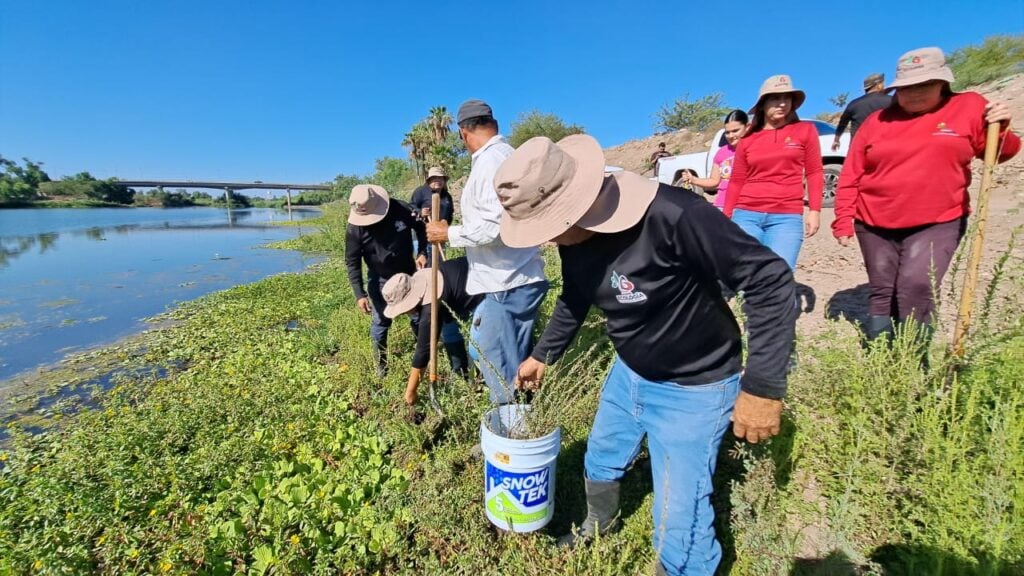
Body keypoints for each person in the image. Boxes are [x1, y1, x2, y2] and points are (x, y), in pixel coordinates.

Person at [499, 135, 798, 576]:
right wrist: (543, 354)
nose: (546, 240)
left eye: (549, 226)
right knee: (600, 456)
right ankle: (598, 526)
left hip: (695, 387)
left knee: (681, 518)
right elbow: (576, 296)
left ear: (576, 203)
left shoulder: (674, 214)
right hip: (629, 372)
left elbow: (770, 279)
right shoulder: (574, 239)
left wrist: (763, 386)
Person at [832, 47, 1019, 342]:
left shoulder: (968, 106)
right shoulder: (877, 121)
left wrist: (1001, 125)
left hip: (939, 219)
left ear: (943, 83)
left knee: (917, 284)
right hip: (873, 220)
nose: (914, 94)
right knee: (882, 289)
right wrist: (843, 218)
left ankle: (914, 361)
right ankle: (880, 357)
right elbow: (852, 173)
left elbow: (1000, 153)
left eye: (925, 85)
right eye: (906, 88)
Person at [425, 99, 548, 406]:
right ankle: (522, 417)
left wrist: (447, 232)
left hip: (506, 282)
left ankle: (510, 430)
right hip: (515, 277)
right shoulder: (505, 156)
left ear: (464, 133)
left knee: (493, 362)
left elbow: (495, 225)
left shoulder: (491, 162)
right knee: (509, 359)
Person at [724, 74, 823, 270]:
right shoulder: (748, 139)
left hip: (786, 216)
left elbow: (814, 172)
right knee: (750, 274)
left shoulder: (805, 131)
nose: (782, 104)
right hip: (746, 214)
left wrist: (814, 211)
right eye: (776, 98)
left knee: (780, 274)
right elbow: (736, 180)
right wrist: (726, 216)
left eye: (787, 98)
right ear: (762, 104)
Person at [345, 184, 428, 377]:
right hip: (380, 279)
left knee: (418, 317)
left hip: (409, 275)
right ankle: (381, 369)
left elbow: (421, 228)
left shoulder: (401, 209)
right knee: (381, 323)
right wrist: (359, 294)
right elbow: (352, 261)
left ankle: (423, 358)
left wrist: (423, 252)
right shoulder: (355, 229)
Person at [381, 257, 482, 406]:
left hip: (486, 292)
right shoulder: (427, 282)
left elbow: (423, 351)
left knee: (479, 350)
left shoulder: (430, 309)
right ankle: (462, 374)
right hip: (464, 285)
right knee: (450, 329)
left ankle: (489, 386)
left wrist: (410, 392)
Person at [680, 109, 749, 209]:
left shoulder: (755, 150)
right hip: (722, 204)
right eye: (727, 132)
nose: (731, 136)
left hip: (746, 207)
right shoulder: (722, 152)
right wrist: (693, 179)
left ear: (747, 127)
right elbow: (714, 181)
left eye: (735, 131)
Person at [831, 73, 893, 152]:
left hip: (858, 149)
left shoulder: (853, 104)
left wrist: (836, 140)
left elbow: (842, 124)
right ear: (879, 85)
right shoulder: (891, 101)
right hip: (883, 147)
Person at [410, 167, 455, 266]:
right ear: (429, 180)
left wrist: (445, 224)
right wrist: (420, 212)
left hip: (439, 236)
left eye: (440, 178)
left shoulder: (447, 196)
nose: (438, 181)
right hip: (423, 236)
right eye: (435, 178)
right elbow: (411, 207)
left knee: (439, 265)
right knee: (424, 265)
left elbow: (450, 213)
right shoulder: (421, 191)